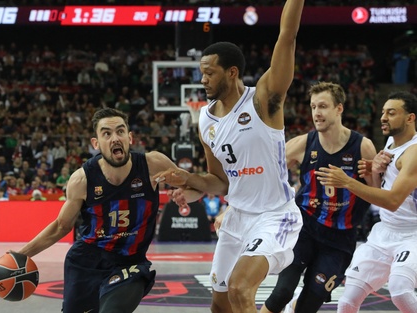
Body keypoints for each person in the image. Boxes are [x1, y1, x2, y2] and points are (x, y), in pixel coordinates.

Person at [154, 1, 305, 312]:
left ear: (232, 72)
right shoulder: (206, 120)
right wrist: (187, 182)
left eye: (209, 73)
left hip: (274, 215)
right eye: (202, 73)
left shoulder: (264, 99)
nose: (203, 80)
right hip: (236, 217)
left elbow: (286, 36)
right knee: (220, 306)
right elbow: (220, 182)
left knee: (240, 288)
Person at [14, 108, 184, 313]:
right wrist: (20, 256)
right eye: (107, 133)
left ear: (130, 138)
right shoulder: (82, 179)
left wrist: (189, 195)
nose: (115, 138)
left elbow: (191, 183)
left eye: (120, 132)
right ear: (96, 143)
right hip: (86, 261)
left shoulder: (153, 164)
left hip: (130, 262)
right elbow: (61, 226)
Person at [259, 82, 377, 313]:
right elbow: (264, 175)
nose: (316, 113)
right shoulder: (303, 143)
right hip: (303, 228)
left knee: (307, 306)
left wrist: (354, 180)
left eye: (322, 106)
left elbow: (378, 194)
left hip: (340, 238)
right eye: (313, 107)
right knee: (281, 292)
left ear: (339, 109)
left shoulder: (363, 147)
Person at [315, 91, 417, 313]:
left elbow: (392, 201)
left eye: (391, 113)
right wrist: (374, 173)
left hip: (413, 234)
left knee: (400, 291)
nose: (383, 117)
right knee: (347, 302)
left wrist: (348, 182)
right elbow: (379, 195)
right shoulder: (390, 143)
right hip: (385, 231)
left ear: (411, 118)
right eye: (382, 112)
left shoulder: (414, 152)